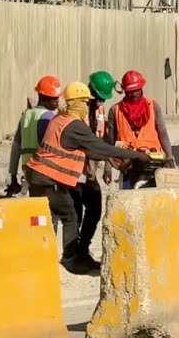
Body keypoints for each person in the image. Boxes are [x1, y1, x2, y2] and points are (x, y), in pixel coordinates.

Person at [25, 82, 149, 274]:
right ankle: (70, 259)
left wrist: (109, 158)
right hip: (48, 178)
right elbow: (99, 146)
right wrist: (136, 156)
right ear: (76, 102)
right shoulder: (73, 125)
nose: (88, 105)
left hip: (42, 175)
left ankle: (68, 256)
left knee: (61, 214)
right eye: (85, 102)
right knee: (69, 215)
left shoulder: (61, 118)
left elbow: (87, 149)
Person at [67, 70, 116, 268]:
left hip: (89, 169)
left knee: (95, 209)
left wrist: (107, 167)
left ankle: (82, 249)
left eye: (103, 98)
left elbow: (103, 140)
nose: (100, 101)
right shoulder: (77, 111)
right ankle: (72, 254)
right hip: (73, 168)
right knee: (75, 212)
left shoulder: (99, 111)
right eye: (97, 97)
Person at [105, 70, 175, 189]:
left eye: (137, 90)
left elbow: (162, 132)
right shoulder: (115, 110)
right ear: (125, 91)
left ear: (142, 88)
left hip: (153, 164)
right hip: (128, 165)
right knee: (129, 198)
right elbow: (110, 143)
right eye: (131, 91)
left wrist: (169, 157)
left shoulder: (153, 106)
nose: (134, 94)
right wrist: (108, 167)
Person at [6, 75, 62, 195]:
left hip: (28, 170)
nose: (58, 102)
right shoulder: (48, 118)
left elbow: (16, 146)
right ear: (44, 98)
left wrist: (13, 175)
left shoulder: (26, 115)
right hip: (43, 169)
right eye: (55, 99)